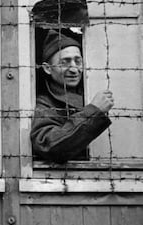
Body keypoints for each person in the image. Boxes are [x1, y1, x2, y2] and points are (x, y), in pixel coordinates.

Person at [30, 30, 114, 163]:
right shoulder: (44, 103)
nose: (74, 69)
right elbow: (48, 145)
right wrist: (93, 112)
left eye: (78, 61)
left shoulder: (89, 91)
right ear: (47, 68)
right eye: (65, 62)